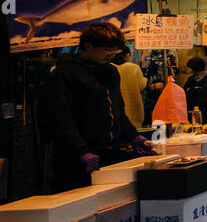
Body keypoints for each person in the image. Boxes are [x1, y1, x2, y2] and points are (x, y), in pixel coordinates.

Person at [42, 23, 153, 191]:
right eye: (106, 50)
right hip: (77, 158)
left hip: (110, 152)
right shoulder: (64, 73)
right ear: (88, 46)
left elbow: (118, 110)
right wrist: (82, 152)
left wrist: (133, 136)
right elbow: (60, 117)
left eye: (114, 51)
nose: (111, 55)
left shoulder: (110, 72)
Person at [114, 50, 146, 130]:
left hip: (115, 109)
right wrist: (145, 79)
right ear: (126, 55)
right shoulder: (133, 67)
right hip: (133, 107)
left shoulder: (108, 67)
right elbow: (142, 85)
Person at [183, 57, 207, 122]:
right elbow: (184, 90)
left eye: (190, 67)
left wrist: (192, 91)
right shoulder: (191, 78)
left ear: (195, 68)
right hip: (192, 110)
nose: (189, 70)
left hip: (206, 111)